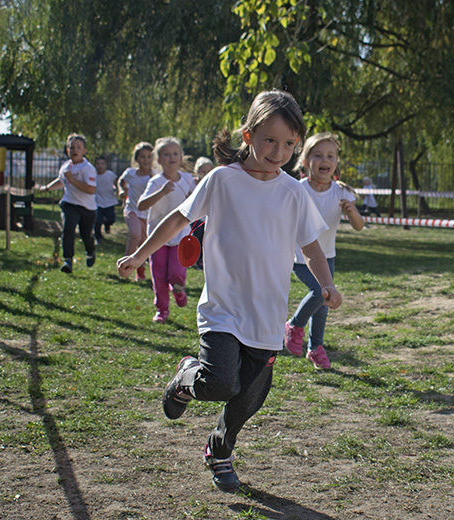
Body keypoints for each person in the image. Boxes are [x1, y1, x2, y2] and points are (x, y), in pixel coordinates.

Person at [117, 90, 341, 492]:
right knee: (220, 382)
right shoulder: (221, 180)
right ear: (248, 135)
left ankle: (220, 449)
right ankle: (187, 376)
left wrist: (326, 283)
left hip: (267, 316)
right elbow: (176, 221)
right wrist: (139, 254)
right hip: (222, 310)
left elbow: (311, 246)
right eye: (270, 140)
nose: (279, 151)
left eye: (289, 143)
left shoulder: (293, 191)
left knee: (249, 397)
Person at [284, 133, 364, 369]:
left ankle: (315, 348)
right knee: (321, 292)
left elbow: (359, 226)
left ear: (336, 162)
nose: (324, 160)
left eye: (330, 155)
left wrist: (352, 212)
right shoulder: (298, 189)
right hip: (301, 257)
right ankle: (294, 326)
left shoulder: (342, 193)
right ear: (306, 161)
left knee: (323, 303)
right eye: (317, 155)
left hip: (328, 257)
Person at [137, 137, 196, 323]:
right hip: (157, 237)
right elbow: (141, 205)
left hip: (181, 236)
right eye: (166, 154)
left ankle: (178, 291)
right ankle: (162, 311)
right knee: (159, 276)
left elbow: (198, 201)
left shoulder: (188, 180)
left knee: (176, 274)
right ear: (159, 159)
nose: (172, 157)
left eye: (175, 154)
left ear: (181, 157)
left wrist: (192, 196)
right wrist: (161, 192)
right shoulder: (155, 182)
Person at [40, 133, 97, 274]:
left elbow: (91, 189)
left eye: (78, 147)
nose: (74, 150)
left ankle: (90, 251)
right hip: (70, 204)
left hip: (87, 208)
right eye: (71, 147)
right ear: (67, 150)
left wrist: (72, 180)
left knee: (86, 235)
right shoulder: (65, 167)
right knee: (68, 229)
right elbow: (61, 181)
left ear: (84, 151)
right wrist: (47, 188)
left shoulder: (88, 168)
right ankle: (67, 260)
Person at [118, 142, 155, 281]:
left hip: (147, 214)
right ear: (137, 159)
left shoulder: (154, 177)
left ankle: (140, 270)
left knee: (144, 243)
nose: (145, 160)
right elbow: (121, 181)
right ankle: (125, 265)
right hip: (132, 210)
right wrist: (122, 190)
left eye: (148, 157)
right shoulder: (130, 173)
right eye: (142, 157)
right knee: (135, 234)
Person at [190, 156, 214, 269]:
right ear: (197, 172)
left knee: (207, 237)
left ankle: (204, 259)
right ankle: (196, 258)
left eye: (208, 171)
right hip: (195, 218)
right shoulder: (192, 183)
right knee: (197, 236)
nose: (206, 174)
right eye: (203, 172)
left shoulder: (214, 183)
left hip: (208, 217)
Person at [93, 155, 118, 243]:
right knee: (97, 220)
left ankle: (107, 224)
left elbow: (117, 183)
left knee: (111, 218)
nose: (100, 166)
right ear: (95, 165)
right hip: (97, 202)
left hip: (109, 201)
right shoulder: (93, 176)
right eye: (98, 164)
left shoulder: (110, 175)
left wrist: (119, 191)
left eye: (103, 163)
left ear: (106, 165)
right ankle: (98, 237)